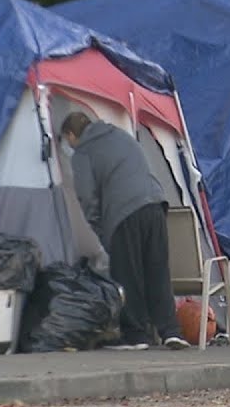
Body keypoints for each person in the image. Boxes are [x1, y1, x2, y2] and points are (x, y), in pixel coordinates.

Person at [59, 112, 190, 351]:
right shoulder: (121, 135)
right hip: (154, 206)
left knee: (128, 275)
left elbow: (87, 197)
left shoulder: (83, 152)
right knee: (157, 272)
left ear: (71, 135)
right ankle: (170, 332)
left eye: (67, 141)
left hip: (123, 213)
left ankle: (137, 335)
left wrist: (101, 231)